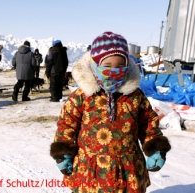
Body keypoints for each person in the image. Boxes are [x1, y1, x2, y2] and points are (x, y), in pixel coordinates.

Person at [49, 31, 171, 193]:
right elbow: (67, 124)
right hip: (90, 169)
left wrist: (156, 148)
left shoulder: (134, 96)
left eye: (120, 66)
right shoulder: (82, 95)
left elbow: (148, 123)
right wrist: (63, 152)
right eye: (107, 66)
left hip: (128, 169)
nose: (114, 71)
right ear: (94, 66)